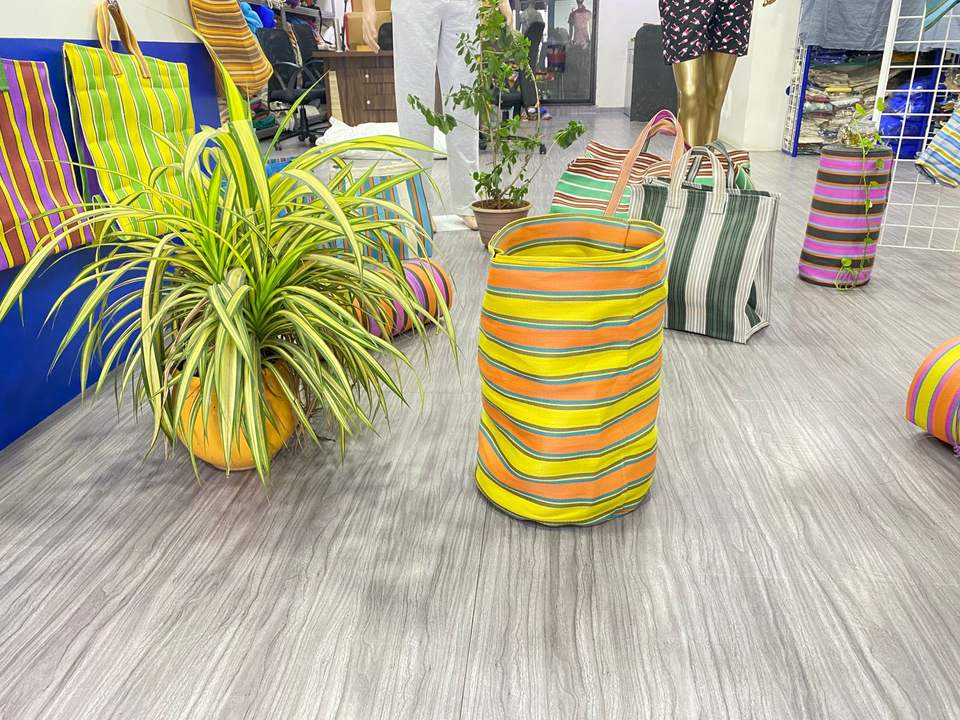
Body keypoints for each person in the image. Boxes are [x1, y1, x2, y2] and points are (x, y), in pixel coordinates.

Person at [361, 0, 513, 231]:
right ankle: (419, 204)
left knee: (465, 99)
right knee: (414, 99)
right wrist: (368, 8)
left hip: (463, 5)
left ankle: (468, 201)